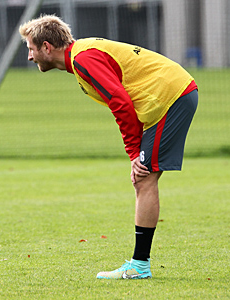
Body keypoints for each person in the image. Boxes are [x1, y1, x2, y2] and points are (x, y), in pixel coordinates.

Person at [19, 15, 198, 279]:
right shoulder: (80, 57)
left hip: (170, 96)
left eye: (31, 49)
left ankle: (139, 266)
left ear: (47, 47)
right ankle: (140, 264)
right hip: (168, 96)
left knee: (144, 177)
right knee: (143, 179)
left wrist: (133, 153)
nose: (30, 57)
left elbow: (120, 102)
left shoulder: (83, 58)